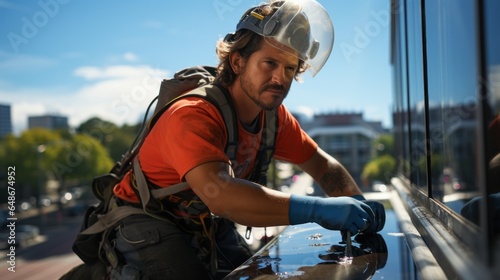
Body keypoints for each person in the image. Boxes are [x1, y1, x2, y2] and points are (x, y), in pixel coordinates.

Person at [110, 1, 385, 279]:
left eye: (290, 68)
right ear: (238, 61)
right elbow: (223, 196)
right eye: (270, 63)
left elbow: (323, 166)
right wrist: (317, 209)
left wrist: (358, 205)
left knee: (254, 272)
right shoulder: (192, 114)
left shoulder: (274, 119)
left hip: (206, 224)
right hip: (148, 221)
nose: (280, 78)